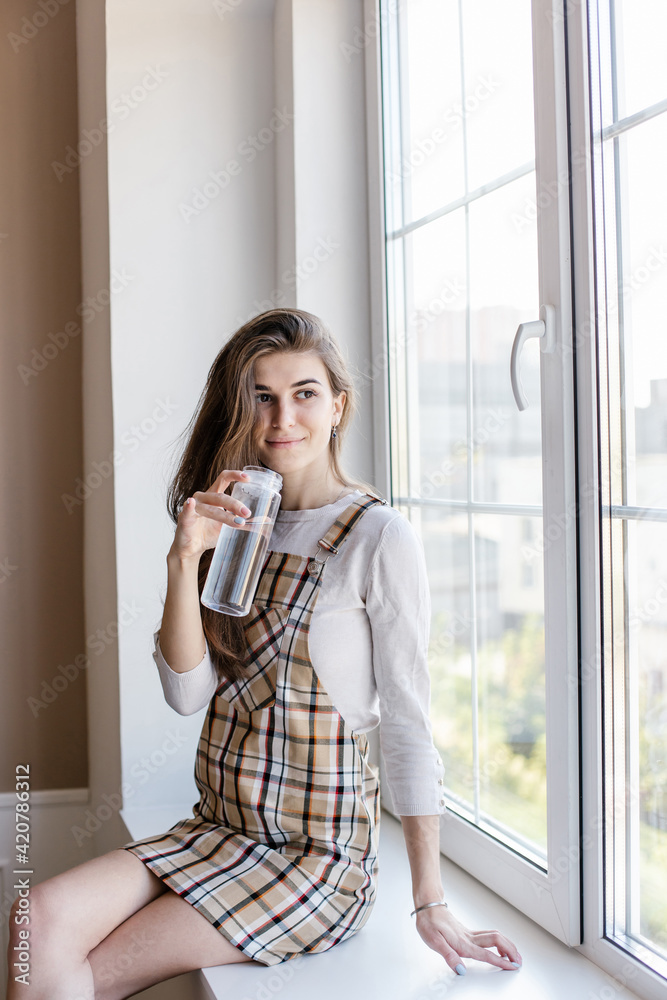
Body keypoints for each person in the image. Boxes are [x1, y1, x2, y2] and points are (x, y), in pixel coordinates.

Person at [6, 308, 521, 998]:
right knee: (32, 921)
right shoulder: (243, 524)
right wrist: (184, 558)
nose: (283, 417)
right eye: (262, 396)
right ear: (239, 409)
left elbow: (406, 722)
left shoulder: (377, 536)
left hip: (316, 861)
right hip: (217, 829)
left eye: (304, 393)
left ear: (337, 405)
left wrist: (429, 899)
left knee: (89, 977)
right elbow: (188, 694)